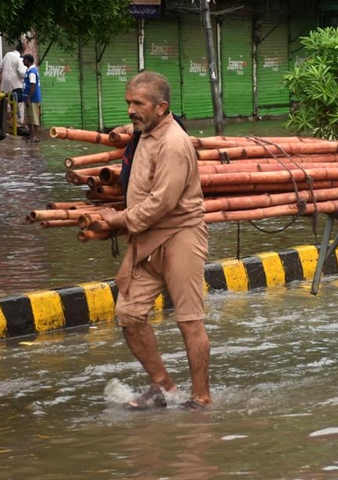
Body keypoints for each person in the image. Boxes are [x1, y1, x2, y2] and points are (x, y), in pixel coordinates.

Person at [98, 71, 211, 411]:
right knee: (129, 314)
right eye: (129, 102)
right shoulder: (145, 131)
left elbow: (162, 202)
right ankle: (163, 387)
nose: (131, 110)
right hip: (147, 238)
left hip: (180, 235)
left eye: (138, 104)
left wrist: (118, 219)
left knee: (189, 320)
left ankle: (201, 398)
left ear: (162, 107)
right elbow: (131, 136)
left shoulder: (174, 143)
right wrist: (124, 130)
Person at [0, 42, 27, 125]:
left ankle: (3, 122)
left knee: (5, 102)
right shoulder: (19, 58)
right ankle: (19, 121)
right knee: (18, 104)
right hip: (15, 85)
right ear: (23, 50)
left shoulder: (7, 55)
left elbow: (1, 67)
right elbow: (22, 74)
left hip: (4, 85)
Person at [22, 53, 41, 142]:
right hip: (28, 98)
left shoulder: (32, 72)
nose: (22, 61)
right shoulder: (29, 70)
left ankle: (36, 136)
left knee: (34, 117)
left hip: (32, 99)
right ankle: (31, 134)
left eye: (24, 59)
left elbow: (33, 85)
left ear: (27, 60)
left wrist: (29, 98)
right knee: (28, 117)